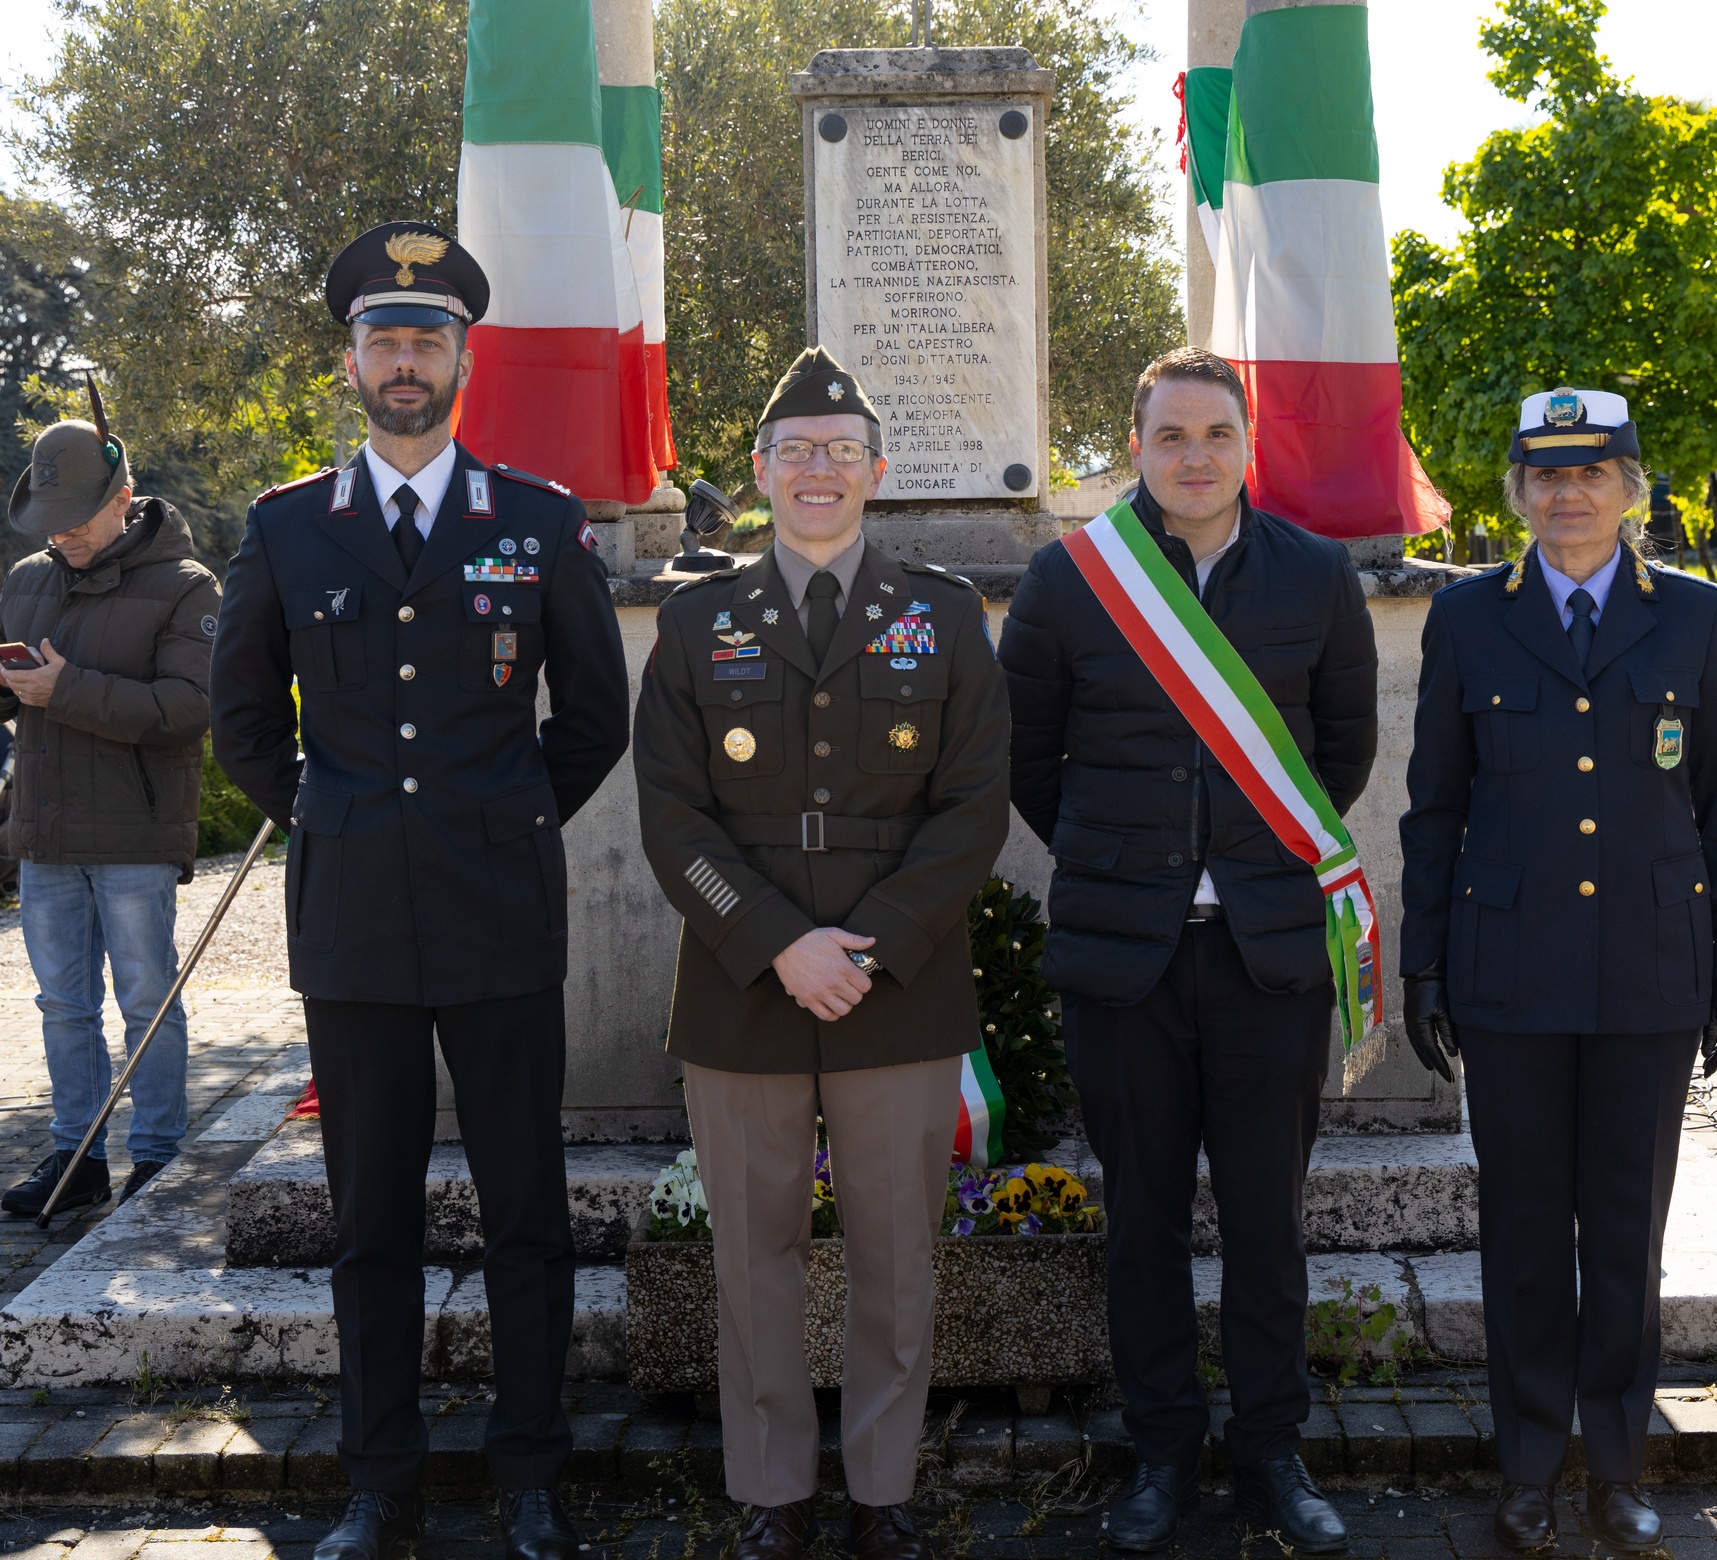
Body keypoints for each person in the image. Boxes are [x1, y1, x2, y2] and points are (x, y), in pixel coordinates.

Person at [209, 222, 630, 1560]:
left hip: (501, 913)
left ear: (463, 358)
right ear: (351, 363)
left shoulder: (538, 521)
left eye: (428, 339)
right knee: (369, 1223)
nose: (406, 361)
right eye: (384, 340)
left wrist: (504, 823)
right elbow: (239, 724)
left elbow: (593, 719)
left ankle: (528, 1476)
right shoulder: (285, 530)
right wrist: (332, 822)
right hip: (354, 926)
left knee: (526, 1214)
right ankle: (378, 1481)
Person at [631, 347, 1009, 1560]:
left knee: (897, 1253)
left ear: (875, 474)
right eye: (794, 451)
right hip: (742, 985)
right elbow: (671, 819)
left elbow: (972, 812)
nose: (816, 470)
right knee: (754, 1256)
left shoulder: (943, 614)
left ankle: (882, 1490)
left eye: (840, 452)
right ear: (757, 473)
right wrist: (780, 944)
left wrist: (875, 943)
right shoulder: (695, 623)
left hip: (896, 986)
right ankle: (769, 1493)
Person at [1001, 347, 1378, 1555]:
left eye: (1216, 434)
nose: (1194, 457)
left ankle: (1270, 1452)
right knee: (1145, 1222)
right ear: (1136, 447)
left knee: (1266, 1224)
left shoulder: (1316, 578)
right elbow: (1029, 763)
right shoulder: (1068, 582)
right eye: (1170, 437)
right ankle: (1161, 1452)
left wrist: (1251, 858)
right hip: (1126, 962)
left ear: (1245, 444)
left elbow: (1341, 754)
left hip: (1267, 958)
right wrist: (1132, 863)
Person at [1398, 388, 1717, 1554]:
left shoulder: (1693, 618)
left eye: (1591, 472)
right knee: (1517, 1231)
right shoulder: (1466, 618)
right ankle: (1522, 1468)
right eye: (1544, 475)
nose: (1567, 494)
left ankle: (1612, 1467)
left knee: (1622, 1230)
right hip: (1506, 974)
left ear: (1630, 488)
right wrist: (1422, 969)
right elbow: (1432, 811)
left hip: (1648, 972)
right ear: (1515, 490)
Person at [0, 401, 219, 1216]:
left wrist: (65, 690)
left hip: (134, 835)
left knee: (144, 1002)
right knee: (61, 1007)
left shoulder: (188, 586)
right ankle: (76, 1158)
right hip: (45, 834)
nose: (60, 535)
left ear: (122, 495)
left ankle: (158, 1160)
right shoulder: (26, 581)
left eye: (75, 519)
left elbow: (190, 708)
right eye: (49, 521)